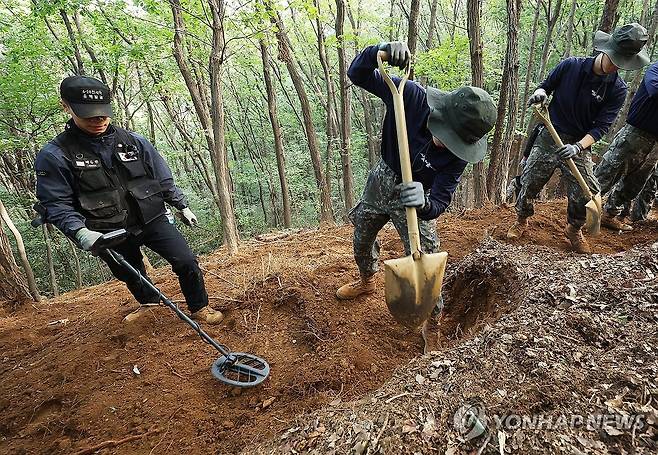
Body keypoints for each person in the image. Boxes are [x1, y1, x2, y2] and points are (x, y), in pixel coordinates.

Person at [336, 41, 496, 353]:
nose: (443, 145)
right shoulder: (409, 96)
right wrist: (379, 51)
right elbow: (358, 73)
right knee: (362, 236)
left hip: (414, 201)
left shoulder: (458, 154)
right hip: (382, 178)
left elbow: (440, 201)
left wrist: (423, 203)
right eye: (444, 135)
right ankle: (368, 277)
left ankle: (431, 323)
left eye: (453, 143)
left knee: (427, 261)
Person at [35, 76, 223, 324]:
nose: (98, 121)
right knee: (129, 271)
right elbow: (56, 203)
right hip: (106, 229)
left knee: (186, 261)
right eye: (89, 115)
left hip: (152, 217)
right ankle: (149, 304)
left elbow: (162, 177)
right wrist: (80, 232)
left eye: (102, 114)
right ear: (66, 107)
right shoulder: (55, 155)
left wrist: (181, 204)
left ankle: (199, 307)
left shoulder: (134, 142)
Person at [507, 23, 650, 254]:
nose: (616, 67)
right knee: (530, 179)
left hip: (579, 143)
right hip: (550, 134)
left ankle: (574, 228)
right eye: (614, 60)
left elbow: (601, 127)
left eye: (621, 64)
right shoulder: (570, 66)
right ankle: (522, 218)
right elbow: (545, 86)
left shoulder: (617, 90)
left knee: (589, 192)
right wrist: (540, 93)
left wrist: (577, 147)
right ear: (605, 50)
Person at [594, 61, 657, 231]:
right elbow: (654, 90)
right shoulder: (656, 68)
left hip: (656, 144)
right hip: (635, 133)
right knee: (607, 172)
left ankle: (610, 215)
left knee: (635, 182)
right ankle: (578, 213)